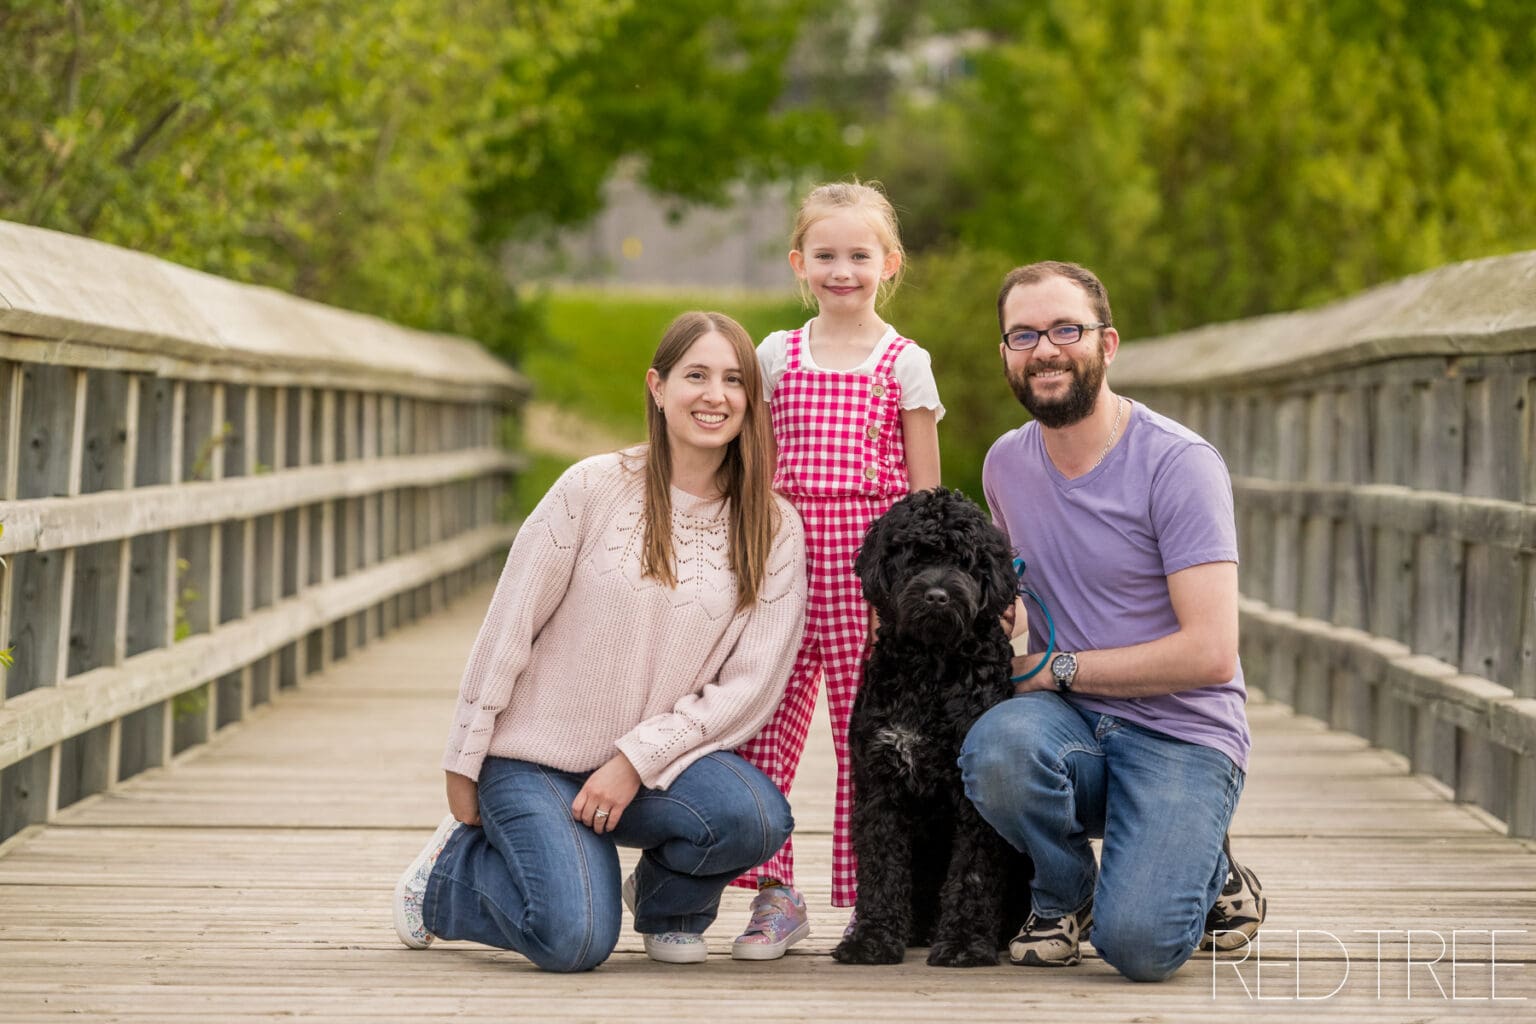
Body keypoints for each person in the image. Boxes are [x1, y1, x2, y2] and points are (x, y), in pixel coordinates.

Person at [391, 311, 808, 971]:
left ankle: (671, 911)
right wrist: (462, 759)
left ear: (751, 400)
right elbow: (508, 628)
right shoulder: (592, 487)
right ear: (657, 386)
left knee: (755, 814)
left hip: (648, 772)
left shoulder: (772, 525)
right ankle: (451, 877)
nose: (715, 395)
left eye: (733, 380)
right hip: (536, 761)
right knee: (575, 939)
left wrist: (632, 761)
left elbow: (748, 689)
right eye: (695, 375)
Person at [959, 261, 1267, 982]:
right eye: (1024, 334)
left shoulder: (1179, 464)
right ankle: (1064, 893)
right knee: (992, 749)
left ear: (1108, 343)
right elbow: (1016, 590)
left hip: (1182, 732)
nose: (1045, 349)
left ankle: (1211, 866)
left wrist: (1057, 669)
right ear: (1005, 353)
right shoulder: (1006, 463)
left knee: (1140, 949)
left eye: (1067, 329)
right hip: (1071, 730)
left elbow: (1212, 653)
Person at [730, 181, 944, 960]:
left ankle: (875, 899)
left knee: (869, 740)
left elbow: (924, 493)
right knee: (766, 734)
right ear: (800, 263)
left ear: (889, 263)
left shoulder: (905, 362)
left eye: (859, 255)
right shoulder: (776, 353)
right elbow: (749, 468)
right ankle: (774, 895)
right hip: (785, 570)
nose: (842, 269)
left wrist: (907, 596)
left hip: (868, 580)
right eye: (826, 255)